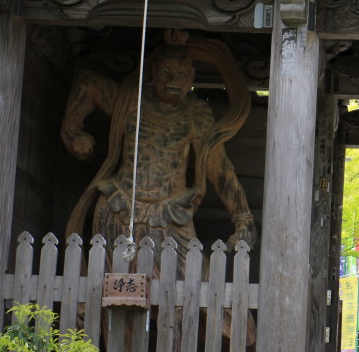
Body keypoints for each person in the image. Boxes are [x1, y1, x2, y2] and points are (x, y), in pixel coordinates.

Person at [61, 36, 256, 266]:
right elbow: (88, 83)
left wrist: (243, 218)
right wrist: (73, 131)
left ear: (192, 76)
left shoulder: (196, 113)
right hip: (120, 206)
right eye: (166, 73)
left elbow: (219, 166)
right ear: (153, 71)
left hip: (171, 213)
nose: (173, 79)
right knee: (114, 288)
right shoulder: (133, 101)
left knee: (191, 286)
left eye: (181, 74)